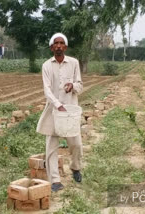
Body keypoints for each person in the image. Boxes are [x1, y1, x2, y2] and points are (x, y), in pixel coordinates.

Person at [36, 33, 83, 192]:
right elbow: (47, 90)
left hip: (70, 110)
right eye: (55, 43)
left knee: (76, 144)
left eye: (61, 43)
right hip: (53, 111)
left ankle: (76, 168)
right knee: (51, 147)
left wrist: (73, 86)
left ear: (65, 47)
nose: (58, 46)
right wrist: (57, 105)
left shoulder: (74, 63)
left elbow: (80, 85)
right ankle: (55, 180)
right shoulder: (46, 66)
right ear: (51, 48)